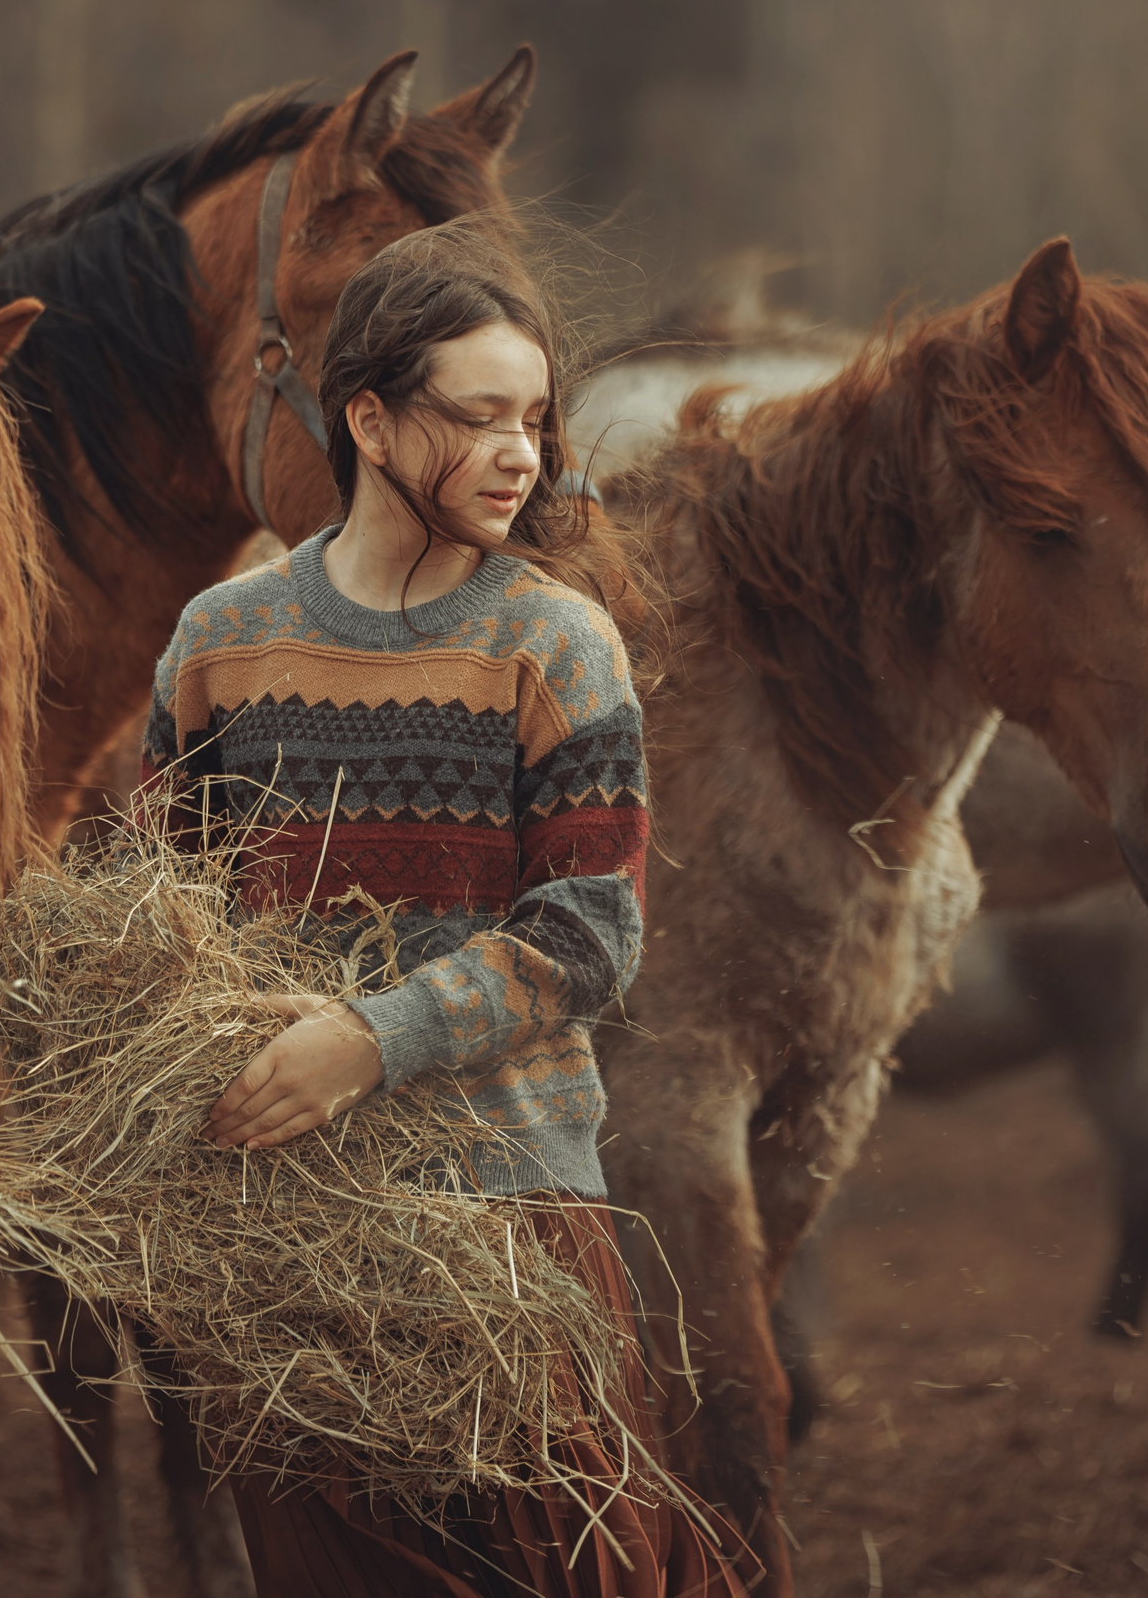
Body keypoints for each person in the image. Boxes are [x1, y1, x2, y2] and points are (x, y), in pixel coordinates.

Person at [138, 221, 759, 1597]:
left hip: (510, 1215)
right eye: (477, 417)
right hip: (288, 1241)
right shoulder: (221, 644)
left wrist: (368, 1039)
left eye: (533, 419)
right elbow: (154, 911)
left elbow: (588, 936)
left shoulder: (555, 641)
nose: (521, 453)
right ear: (368, 416)